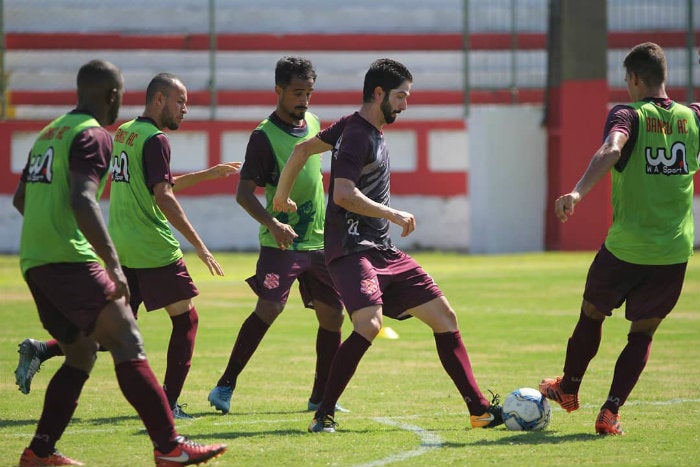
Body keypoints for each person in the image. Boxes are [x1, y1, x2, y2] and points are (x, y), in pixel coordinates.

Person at [12, 59, 227, 466]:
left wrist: (51, 233)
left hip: (34, 259)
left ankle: (40, 451)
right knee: (129, 337)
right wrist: (108, 261)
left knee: (84, 351)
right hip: (78, 258)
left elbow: (22, 200)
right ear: (113, 96)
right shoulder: (95, 134)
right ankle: (169, 446)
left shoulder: (49, 133)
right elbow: (83, 198)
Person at [273, 58, 503, 433]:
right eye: (400, 96)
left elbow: (300, 151)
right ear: (378, 93)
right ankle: (324, 414)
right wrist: (392, 214)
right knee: (369, 323)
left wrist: (282, 199)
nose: (404, 105)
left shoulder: (355, 126)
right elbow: (343, 194)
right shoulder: (358, 135)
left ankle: (479, 410)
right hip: (351, 249)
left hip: (382, 250)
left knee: (445, 318)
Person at [538, 42, 699, 435]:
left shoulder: (629, 114)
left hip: (625, 247)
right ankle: (611, 411)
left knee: (592, 314)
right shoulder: (693, 117)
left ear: (635, 79)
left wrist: (576, 192)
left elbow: (612, 149)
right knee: (642, 332)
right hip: (673, 252)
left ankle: (569, 389)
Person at [207, 56, 347, 415]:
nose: (304, 100)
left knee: (333, 316)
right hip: (281, 242)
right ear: (279, 91)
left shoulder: (314, 123)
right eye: (297, 93)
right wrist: (272, 223)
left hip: (318, 242)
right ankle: (225, 385)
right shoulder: (263, 136)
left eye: (309, 92)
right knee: (269, 307)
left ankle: (321, 397)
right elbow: (243, 194)